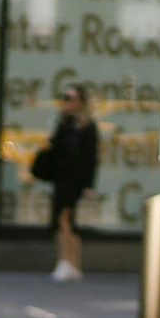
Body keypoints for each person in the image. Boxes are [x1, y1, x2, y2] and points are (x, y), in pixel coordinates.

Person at [41, 84, 99, 282]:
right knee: (63, 221)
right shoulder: (63, 123)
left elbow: (91, 158)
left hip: (75, 179)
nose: (67, 103)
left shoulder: (87, 127)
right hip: (61, 177)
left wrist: (89, 185)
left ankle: (69, 261)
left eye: (71, 98)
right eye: (65, 98)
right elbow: (55, 149)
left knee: (65, 219)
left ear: (81, 102)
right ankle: (69, 262)